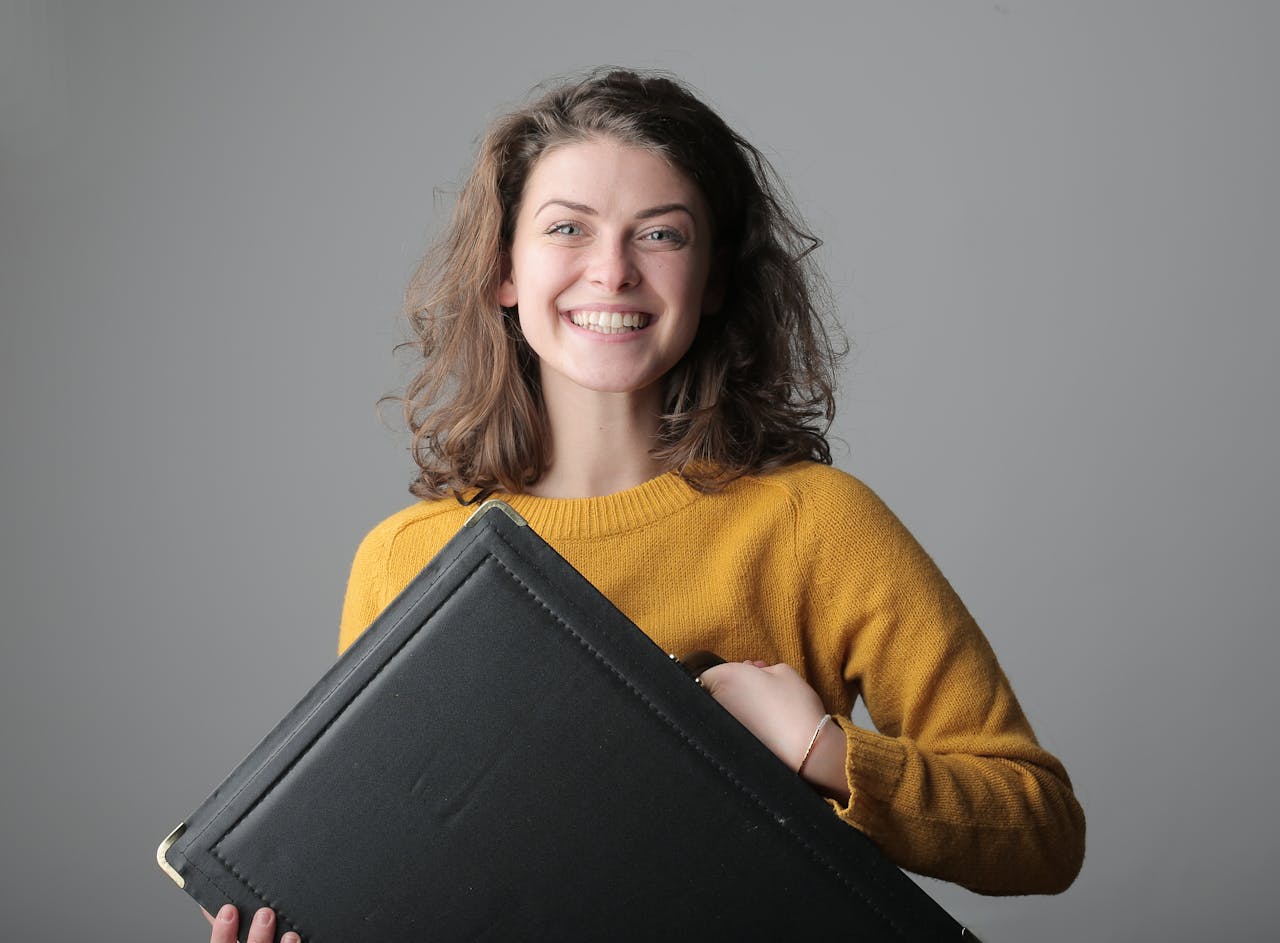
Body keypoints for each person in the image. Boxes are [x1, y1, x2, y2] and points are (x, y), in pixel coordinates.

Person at [208, 67, 1084, 943]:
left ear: (710, 280)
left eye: (660, 234)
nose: (613, 271)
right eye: (567, 229)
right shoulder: (404, 560)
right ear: (504, 269)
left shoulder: (817, 523)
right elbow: (407, 879)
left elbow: (1042, 831)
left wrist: (821, 751)